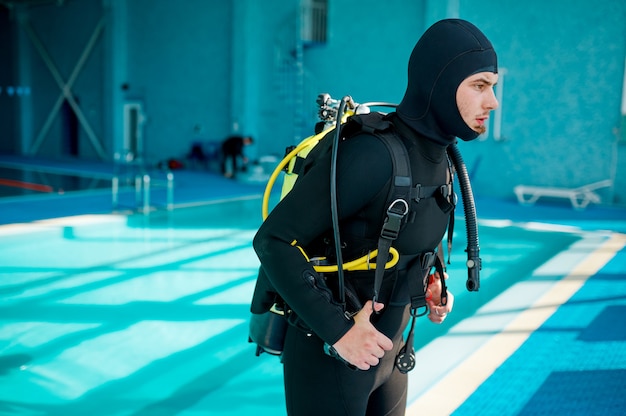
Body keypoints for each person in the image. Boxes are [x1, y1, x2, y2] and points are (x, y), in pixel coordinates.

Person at [252, 19, 498, 415]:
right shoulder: (371, 155)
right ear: (439, 82)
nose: (492, 102)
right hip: (331, 357)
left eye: (493, 87)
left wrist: (430, 280)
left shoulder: (444, 159)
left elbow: (404, 234)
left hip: (390, 353)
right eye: (479, 85)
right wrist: (340, 332)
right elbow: (273, 240)